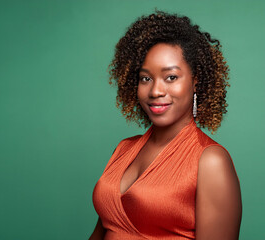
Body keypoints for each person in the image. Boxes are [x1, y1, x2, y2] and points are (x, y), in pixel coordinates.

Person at [89, 11, 242, 240]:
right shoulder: (124, 149)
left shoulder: (210, 161)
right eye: (145, 78)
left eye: (171, 77)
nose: (155, 91)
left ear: (195, 80)